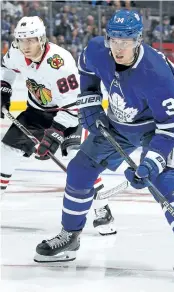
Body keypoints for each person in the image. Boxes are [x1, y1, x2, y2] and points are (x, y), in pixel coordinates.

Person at [34, 10, 174, 282]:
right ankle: (70, 237)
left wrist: (150, 163)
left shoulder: (158, 74)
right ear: (107, 37)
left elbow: (173, 128)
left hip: (156, 130)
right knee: (79, 169)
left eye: (126, 41)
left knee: (165, 181)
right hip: (117, 124)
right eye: (114, 40)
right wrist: (89, 100)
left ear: (139, 40)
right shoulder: (98, 49)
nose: (118, 48)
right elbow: (86, 69)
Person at [0, 16, 116, 236]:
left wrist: (52, 138)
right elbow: (5, 67)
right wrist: (4, 90)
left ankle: (102, 209)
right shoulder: (16, 52)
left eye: (31, 40)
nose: (25, 46)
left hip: (70, 114)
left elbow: (72, 108)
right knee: (5, 153)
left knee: (77, 162)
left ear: (42, 39)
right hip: (36, 112)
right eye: (21, 40)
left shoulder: (59, 63)